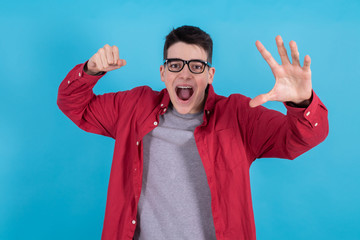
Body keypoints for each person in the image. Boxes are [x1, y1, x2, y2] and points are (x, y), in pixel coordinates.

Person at [57, 25, 329, 240]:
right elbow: (74, 104)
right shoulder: (132, 107)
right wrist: (90, 71)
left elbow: (300, 139)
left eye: (196, 66)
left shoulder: (238, 115)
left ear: (210, 75)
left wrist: (301, 102)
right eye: (175, 65)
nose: (185, 74)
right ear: (163, 73)